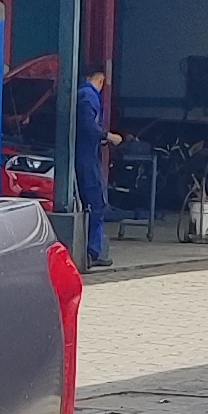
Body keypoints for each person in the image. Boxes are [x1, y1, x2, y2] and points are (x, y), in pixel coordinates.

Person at [75, 64, 116, 266]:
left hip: (81, 155)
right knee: (96, 204)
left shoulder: (78, 93)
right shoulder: (89, 96)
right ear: (100, 80)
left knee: (87, 203)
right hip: (87, 158)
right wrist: (108, 136)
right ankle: (93, 252)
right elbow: (88, 126)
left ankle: (90, 250)